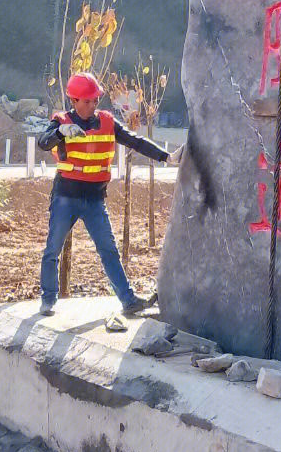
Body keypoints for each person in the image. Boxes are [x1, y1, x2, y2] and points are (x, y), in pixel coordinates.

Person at [37, 72, 182, 316]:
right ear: (74, 101)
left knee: (108, 249)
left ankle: (128, 300)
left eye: (95, 100)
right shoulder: (61, 121)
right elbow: (43, 142)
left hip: (94, 200)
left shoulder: (106, 121)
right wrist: (62, 133)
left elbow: (134, 141)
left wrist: (166, 157)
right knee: (53, 249)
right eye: (87, 101)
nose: (93, 105)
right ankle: (48, 299)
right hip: (66, 198)